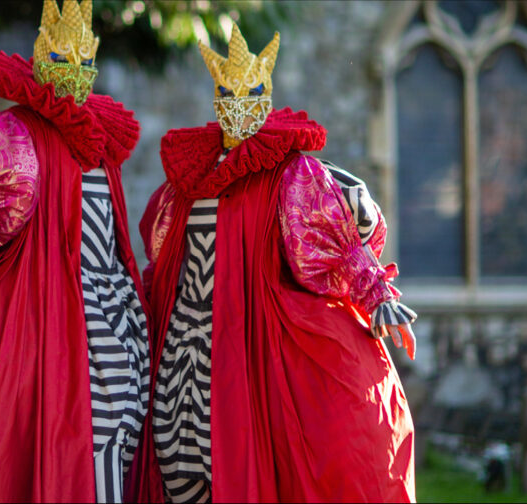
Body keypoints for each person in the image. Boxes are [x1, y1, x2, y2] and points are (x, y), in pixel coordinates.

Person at [128, 22, 418, 503]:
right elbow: (160, 264)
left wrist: (376, 292)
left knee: (244, 473)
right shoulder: (187, 182)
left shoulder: (293, 174)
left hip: (249, 358)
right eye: (228, 92)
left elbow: (338, 243)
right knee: (179, 473)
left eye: (249, 91)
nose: (238, 101)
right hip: (182, 359)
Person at [0, 1, 150, 501]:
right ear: (42, 61)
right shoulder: (10, 133)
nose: (75, 72)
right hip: (45, 323)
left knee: (116, 450)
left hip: (114, 327)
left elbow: (112, 240)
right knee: (43, 449)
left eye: (85, 61)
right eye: (65, 60)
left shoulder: (101, 146)